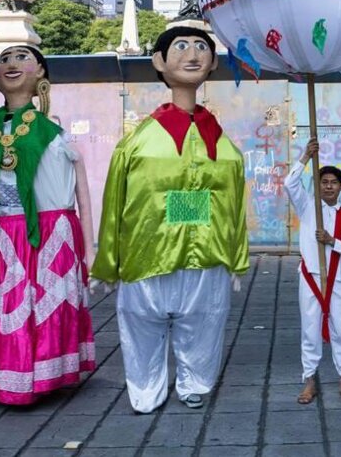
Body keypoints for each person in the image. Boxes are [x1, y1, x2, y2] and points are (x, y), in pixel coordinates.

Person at [92, 26, 250, 413]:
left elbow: (234, 203)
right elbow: (114, 201)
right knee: (141, 322)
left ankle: (195, 382)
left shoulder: (222, 143)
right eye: (181, 47)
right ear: (159, 62)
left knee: (205, 320)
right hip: (147, 251)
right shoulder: (138, 142)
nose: (193, 55)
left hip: (207, 252)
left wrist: (236, 257)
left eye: (201, 48)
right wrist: (108, 262)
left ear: (212, 64)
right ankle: (146, 388)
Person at [0, 45, 96, 405]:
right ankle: (0, 377)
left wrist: (89, 249)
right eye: (4, 59)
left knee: (39, 310)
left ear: (41, 72)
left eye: (22, 58)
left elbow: (81, 194)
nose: (11, 64)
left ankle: (42, 375)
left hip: (46, 238)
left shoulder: (53, 136)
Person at [285, 140, 341, 404]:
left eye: (333, 182)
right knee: (310, 330)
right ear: (317, 185)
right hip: (311, 277)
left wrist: (332, 241)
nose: (328, 186)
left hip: (337, 278)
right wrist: (306, 156)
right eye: (324, 182)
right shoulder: (308, 207)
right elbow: (290, 183)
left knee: (340, 329)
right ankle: (309, 380)